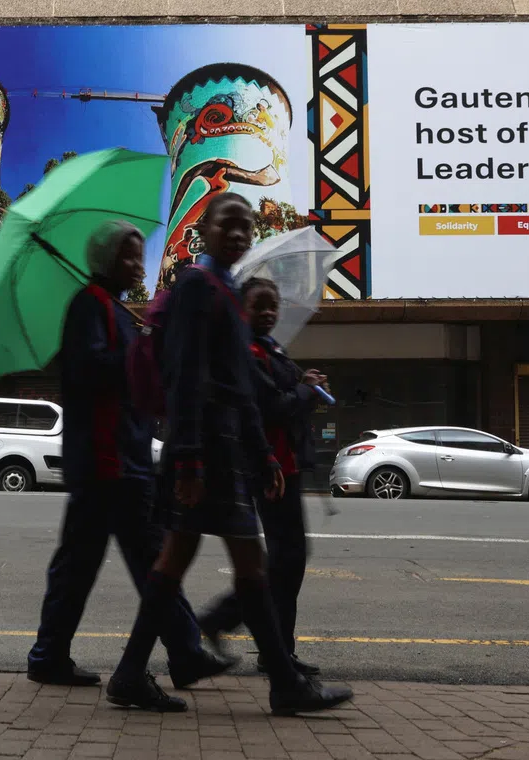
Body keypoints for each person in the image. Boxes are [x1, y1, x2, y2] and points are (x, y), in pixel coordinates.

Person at [107, 193, 354, 716]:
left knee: (178, 565)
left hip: (222, 449)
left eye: (247, 227)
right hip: (206, 453)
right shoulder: (199, 286)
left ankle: (131, 674)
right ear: (205, 231)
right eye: (229, 225)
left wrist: (263, 456)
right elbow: (187, 374)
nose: (240, 235)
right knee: (246, 565)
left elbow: (241, 388)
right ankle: (283, 682)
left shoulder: (226, 290)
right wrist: (192, 460)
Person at [27, 220, 233, 702]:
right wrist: (142, 351)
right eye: (127, 256)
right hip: (108, 460)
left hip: (120, 457)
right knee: (149, 558)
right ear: (103, 260)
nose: (137, 265)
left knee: (82, 565)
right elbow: (90, 372)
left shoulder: (114, 309)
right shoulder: (89, 306)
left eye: (139, 255)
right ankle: (183, 650)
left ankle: (49, 656)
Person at [198, 276, 328, 676]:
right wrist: (305, 394)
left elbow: (284, 397)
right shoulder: (247, 352)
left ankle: (278, 651)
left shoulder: (269, 348)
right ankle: (238, 630)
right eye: (260, 305)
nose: (270, 312)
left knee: (288, 561)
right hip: (265, 467)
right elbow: (271, 406)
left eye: (274, 305)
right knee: (283, 561)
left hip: (284, 464)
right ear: (243, 309)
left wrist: (305, 385)